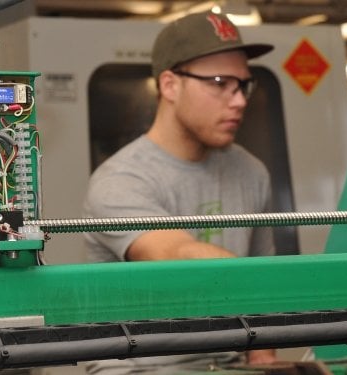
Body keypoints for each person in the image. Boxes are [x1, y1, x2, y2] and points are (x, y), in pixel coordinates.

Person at [82, 10, 278, 373]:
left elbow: (261, 318)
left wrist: (267, 355)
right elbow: (178, 253)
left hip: (227, 365)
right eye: (221, 82)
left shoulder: (252, 173)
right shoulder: (120, 180)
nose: (239, 101)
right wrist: (296, 287)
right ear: (170, 85)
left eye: (243, 85)